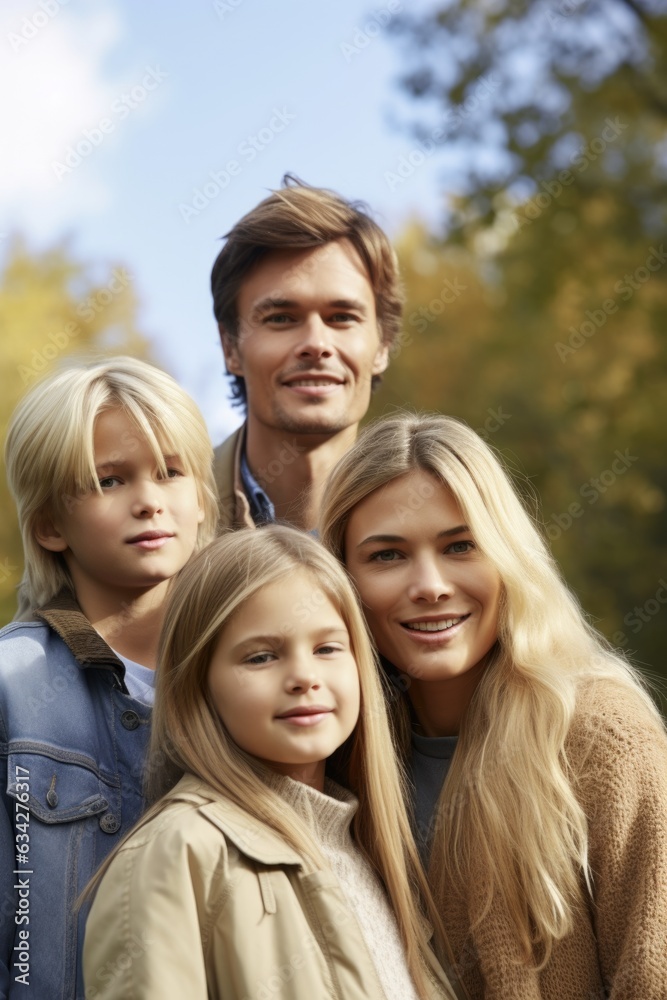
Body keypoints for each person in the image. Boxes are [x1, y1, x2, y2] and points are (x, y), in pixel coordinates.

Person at [319, 413, 667, 1000]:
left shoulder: (601, 735)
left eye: (461, 546)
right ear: (339, 580)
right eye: (387, 556)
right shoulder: (328, 755)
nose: (429, 584)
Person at [83, 526, 458, 1000]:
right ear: (199, 685)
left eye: (326, 648)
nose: (304, 677)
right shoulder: (178, 854)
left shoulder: (375, 853)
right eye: (261, 657)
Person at [0, 357, 218, 999]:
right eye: (110, 480)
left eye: (171, 472)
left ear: (201, 499)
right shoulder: (12, 690)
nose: (150, 500)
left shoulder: (264, 677)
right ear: (48, 524)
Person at [210, 175, 403, 531]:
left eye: (342, 318)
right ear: (230, 347)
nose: (316, 344)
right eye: (281, 318)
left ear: (383, 344)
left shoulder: (445, 522)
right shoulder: (166, 524)